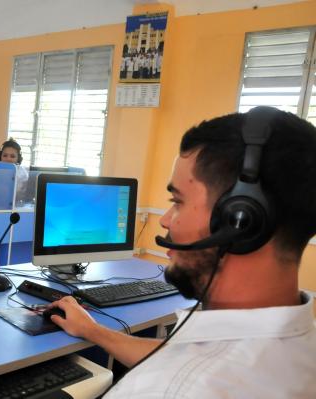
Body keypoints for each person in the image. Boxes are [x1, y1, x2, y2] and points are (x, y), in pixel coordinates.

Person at [47, 107, 316, 398]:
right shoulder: (302, 344)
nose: (165, 219)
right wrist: (94, 331)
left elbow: (182, 375)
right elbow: (181, 357)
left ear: (238, 221)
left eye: (178, 200)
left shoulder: (166, 389)